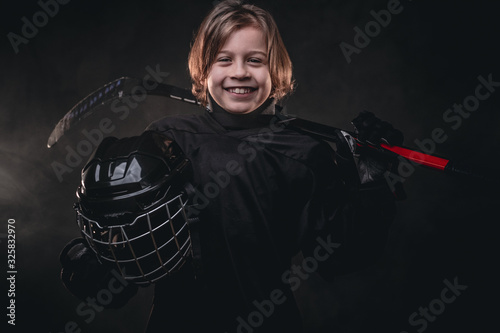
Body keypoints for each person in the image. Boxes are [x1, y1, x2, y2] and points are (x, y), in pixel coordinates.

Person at [60, 1, 404, 332]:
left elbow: (338, 257)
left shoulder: (306, 153)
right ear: (204, 69)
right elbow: (131, 241)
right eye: (224, 59)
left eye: (255, 60)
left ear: (277, 69)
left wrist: (371, 181)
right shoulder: (167, 138)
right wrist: (100, 262)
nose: (240, 72)